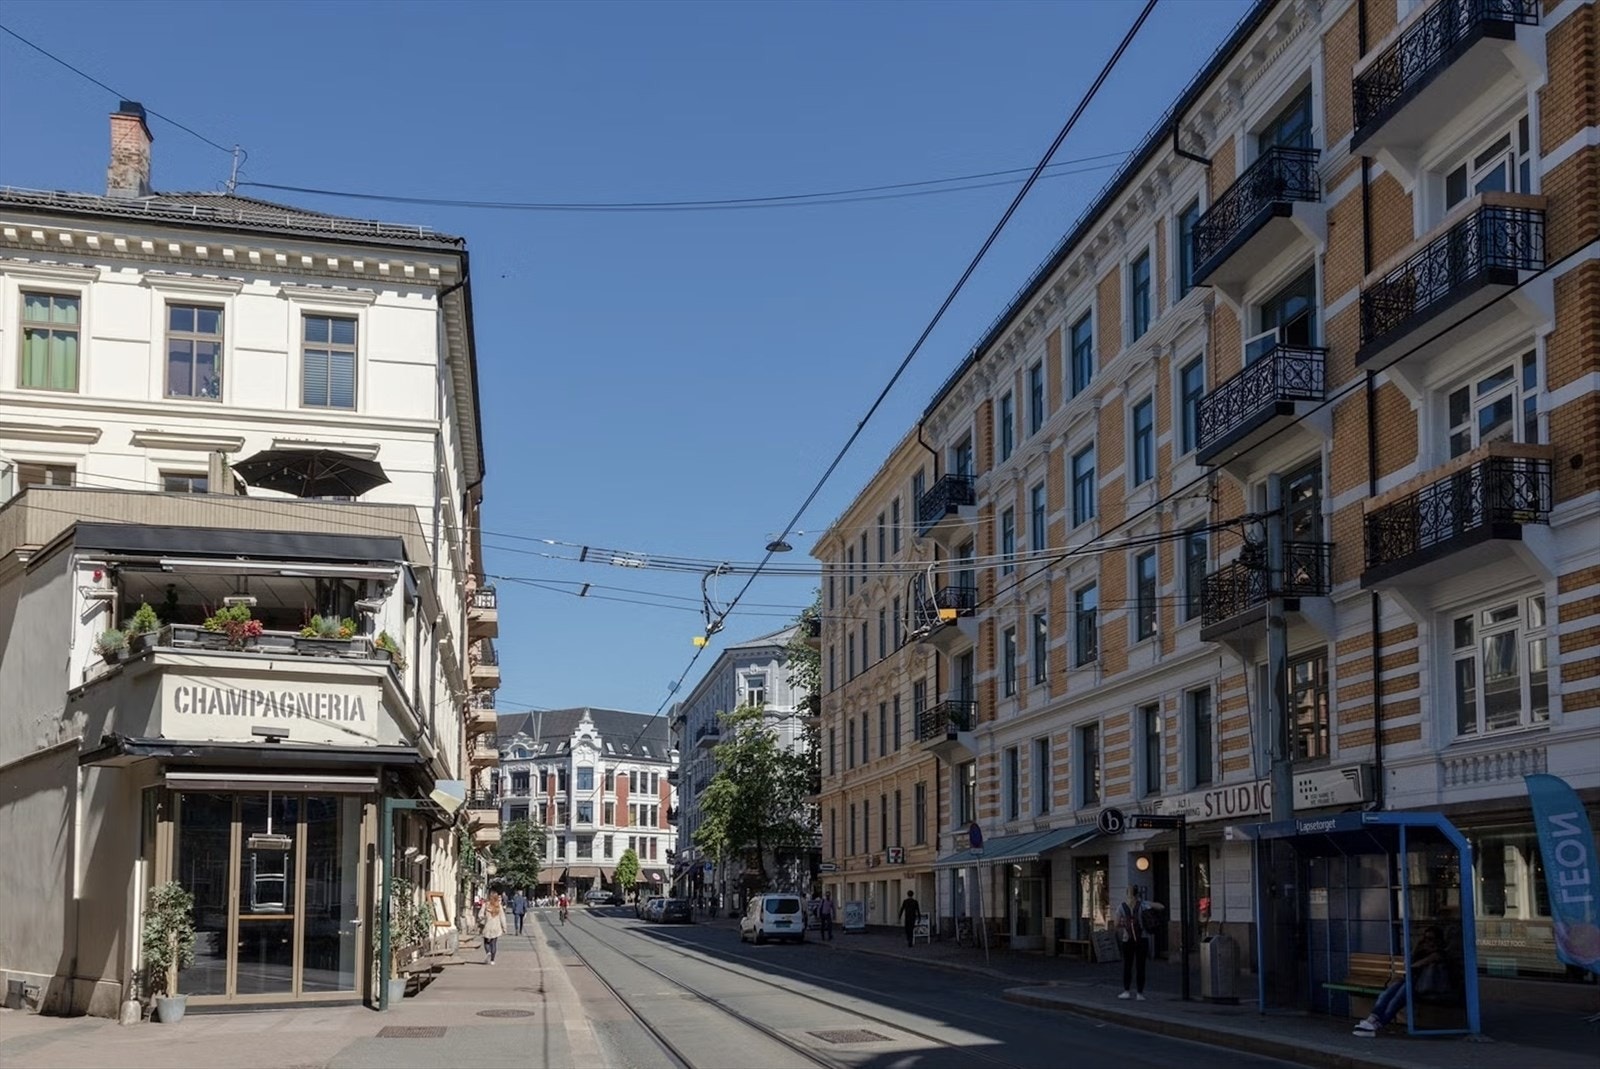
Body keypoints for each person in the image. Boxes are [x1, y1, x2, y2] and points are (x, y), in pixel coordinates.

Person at [1353, 926, 1450, 1037]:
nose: (1428, 942)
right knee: (1386, 994)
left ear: (1438, 940)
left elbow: (1412, 966)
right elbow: (1408, 963)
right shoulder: (1422, 952)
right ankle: (1371, 1019)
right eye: (1425, 939)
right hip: (1412, 983)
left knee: (1397, 999)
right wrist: (1418, 947)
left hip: (1427, 987)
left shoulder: (1438, 954)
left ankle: (1378, 1025)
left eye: (1431, 939)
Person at [1115, 886, 1162, 1000]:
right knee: (1141, 966)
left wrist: (1125, 924)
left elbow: (1116, 924)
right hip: (1142, 938)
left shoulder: (1121, 906)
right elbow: (1161, 906)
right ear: (1137, 894)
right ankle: (1139, 993)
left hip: (1128, 939)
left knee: (1127, 966)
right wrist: (1147, 902)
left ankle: (1126, 991)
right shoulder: (1143, 905)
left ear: (1127, 894)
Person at [480, 892, 506, 965]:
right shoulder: (499, 906)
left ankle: (488, 952)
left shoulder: (485, 905)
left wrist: (482, 918)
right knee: (493, 943)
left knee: (486, 941)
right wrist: (504, 927)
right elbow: (502, 918)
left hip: (487, 926)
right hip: (496, 927)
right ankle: (492, 960)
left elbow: (480, 914)